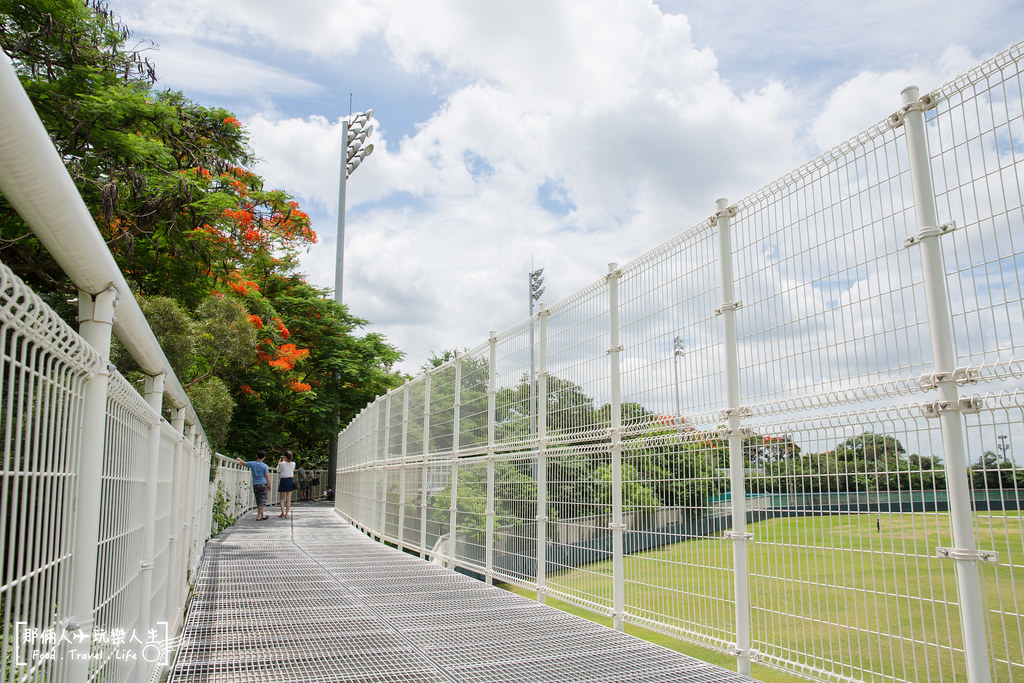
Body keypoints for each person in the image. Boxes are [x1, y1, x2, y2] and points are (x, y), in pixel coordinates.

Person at [235, 450, 271, 520]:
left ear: (256, 456)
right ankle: (258, 516)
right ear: (264, 458)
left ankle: (263, 515)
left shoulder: (252, 464)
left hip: (256, 484)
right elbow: (267, 476)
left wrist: (239, 459)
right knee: (262, 500)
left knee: (258, 499)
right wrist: (270, 485)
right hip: (263, 484)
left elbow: (243, 463)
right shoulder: (264, 466)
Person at [277, 450, 297, 518]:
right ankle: (287, 513)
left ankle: (282, 512)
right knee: (288, 498)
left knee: (282, 498)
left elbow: (278, 470)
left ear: (285, 456)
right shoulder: (293, 463)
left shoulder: (282, 463)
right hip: (290, 480)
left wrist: (279, 462)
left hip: (283, 480)